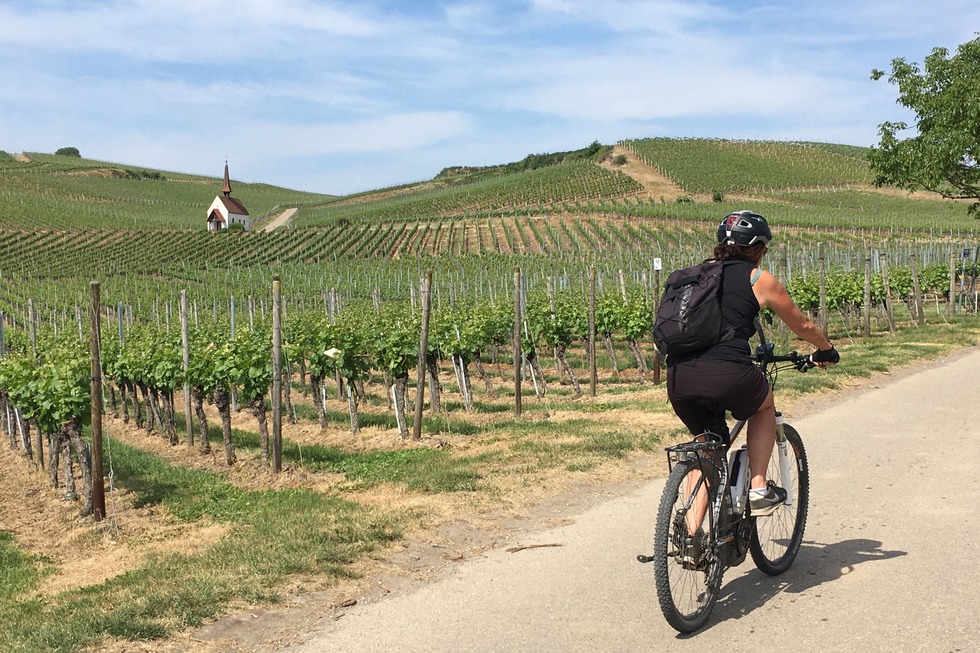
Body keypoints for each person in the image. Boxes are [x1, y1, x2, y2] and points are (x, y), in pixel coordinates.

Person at [667, 210, 839, 518]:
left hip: (679, 378)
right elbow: (803, 326)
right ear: (758, 248)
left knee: (707, 445)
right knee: (763, 406)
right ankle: (759, 487)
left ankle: (689, 535)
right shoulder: (758, 279)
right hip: (727, 373)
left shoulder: (692, 276)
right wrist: (825, 349)